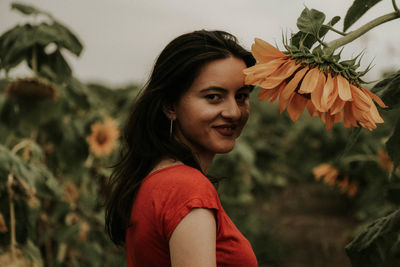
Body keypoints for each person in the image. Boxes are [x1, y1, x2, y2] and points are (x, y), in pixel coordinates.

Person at [104, 30, 257, 266]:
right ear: (170, 106)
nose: (234, 112)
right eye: (214, 97)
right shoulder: (188, 189)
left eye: (241, 96)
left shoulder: (156, 179)